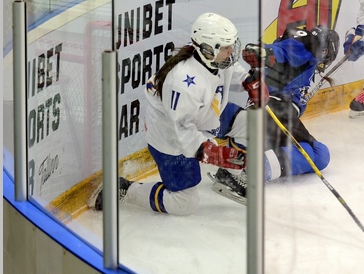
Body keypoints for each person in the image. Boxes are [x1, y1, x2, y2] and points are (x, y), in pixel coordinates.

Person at [88, 12, 256, 215]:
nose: (231, 51)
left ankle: (228, 176)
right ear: (207, 49)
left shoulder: (212, 58)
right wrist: (210, 153)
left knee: (251, 123)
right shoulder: (183, 83)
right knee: (184, 203)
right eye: (226, 47)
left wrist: (250, 79)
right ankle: (125, 188)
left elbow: (231, 68)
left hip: (202, 114)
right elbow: (182, 132)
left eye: (231, 45)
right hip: (170, 135)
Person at [239, 25, 339, 185]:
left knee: (320, 156)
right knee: (314, 153)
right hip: (272, 109)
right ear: (325, 50)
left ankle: (257, 162)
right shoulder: (309, 43)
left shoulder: (304, 66)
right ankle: (249, 168)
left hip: (275, 116)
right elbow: (284, 49)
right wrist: (266, 52)